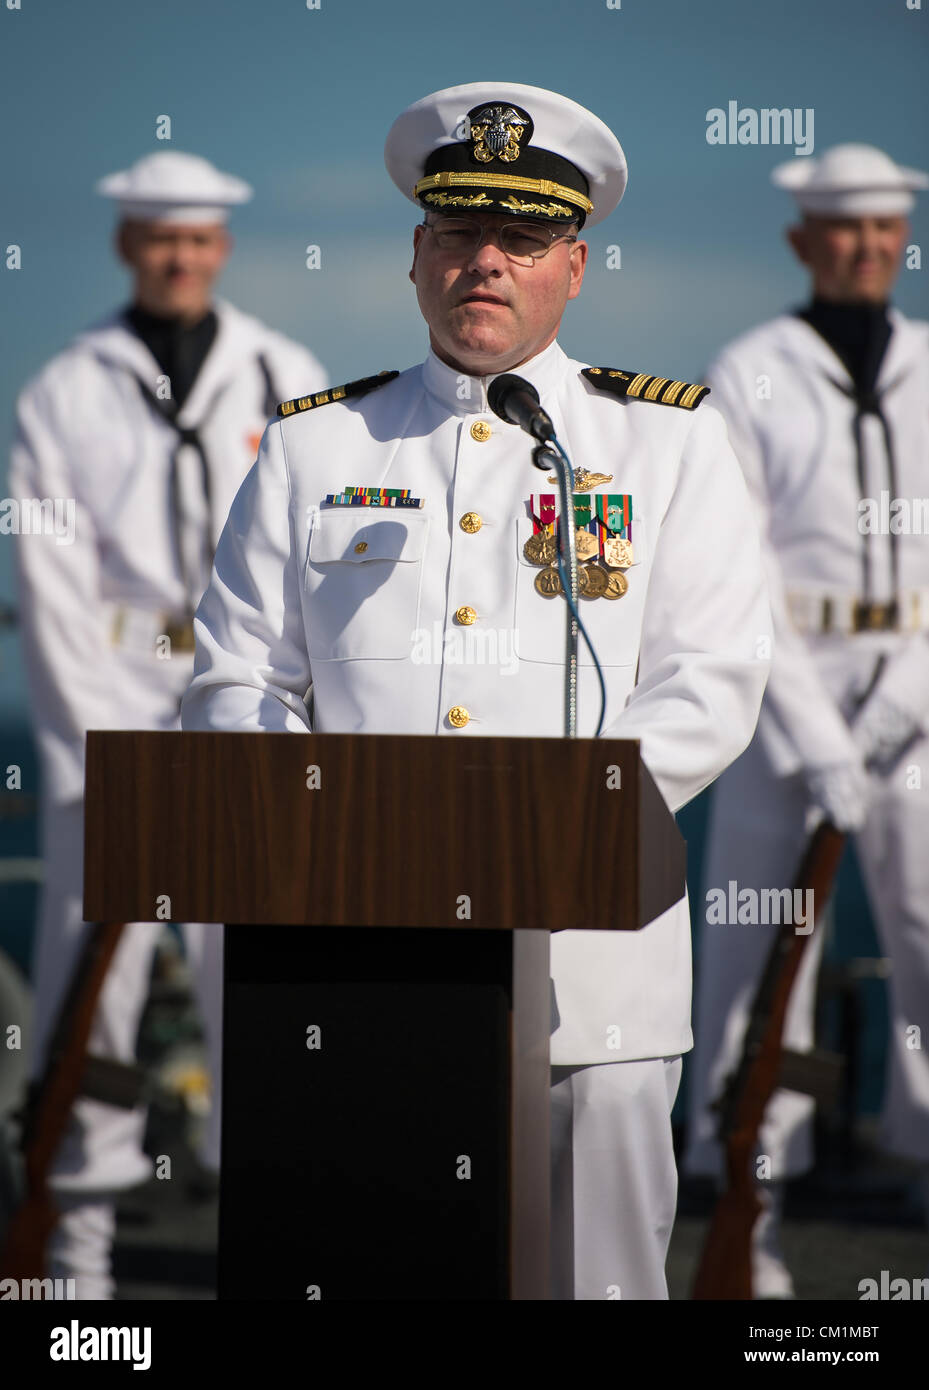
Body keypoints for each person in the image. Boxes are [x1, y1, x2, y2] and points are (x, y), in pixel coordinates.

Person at [181, 82, 771, 1300]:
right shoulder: (315, 446)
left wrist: (545, 830)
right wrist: (313, 820)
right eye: (456, 234)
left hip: (590, 975)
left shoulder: (666, 443)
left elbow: (707, 680)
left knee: (593, 1286)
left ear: (575, 264)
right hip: (354, 957)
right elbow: (236, 677)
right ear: (415, 258)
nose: (483, 264)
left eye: (520, 240)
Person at [9, 149, 327, 1298]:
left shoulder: (281, 373)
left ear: (222, 249)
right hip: (114, 703)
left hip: (243, 700)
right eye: (159, 238)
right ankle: (74, 1258)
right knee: (93, 991)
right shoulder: (64, 388)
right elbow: (48, 587)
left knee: (260, 984)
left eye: (196, 240)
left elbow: (314, 558)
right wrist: (109, 753)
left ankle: (266, 1244)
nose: (179, 257)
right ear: (127, 245)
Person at [684, 144, 929, 1298]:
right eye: (841, 228)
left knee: (928, 936)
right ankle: (749, 1196)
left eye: (882, 229)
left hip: (912, 698)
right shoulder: (749, 370)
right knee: (751, 963)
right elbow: (732, 576)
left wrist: (896, 704)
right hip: (778, 704)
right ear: (800, 239)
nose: (864, 247)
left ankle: (920, 1170)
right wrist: (820, 735)